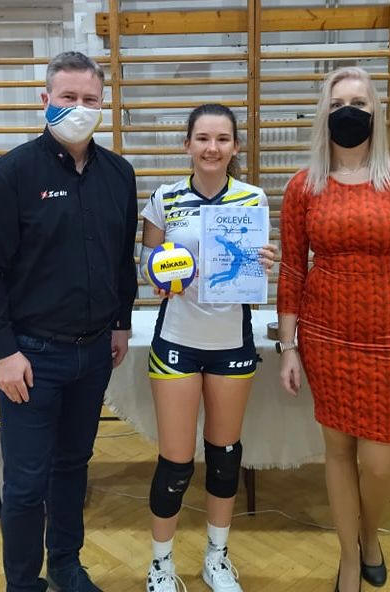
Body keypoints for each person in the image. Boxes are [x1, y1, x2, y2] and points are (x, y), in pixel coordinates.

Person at [0, 51, 138, 592]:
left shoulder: (119, 174)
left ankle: (65, 564)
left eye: (90, 99)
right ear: (45, 99)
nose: (80, 108)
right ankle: (23, 583)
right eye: (68, 97)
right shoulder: (11, 175)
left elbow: (121, 258)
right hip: (31, 357)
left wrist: (121, 322)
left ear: (103, 104)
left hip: (94, 352)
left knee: (73, 466)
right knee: (25, 482)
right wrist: (2, 351)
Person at [277, 67, 390, 592]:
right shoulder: (303, 187)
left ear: (376, 112)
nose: (350, 111)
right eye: (339, 102)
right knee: (339, 453)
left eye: (361, 103)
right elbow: (292, 270)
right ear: (324, 113)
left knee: (380, 463)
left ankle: (371, 535)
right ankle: (350, 557)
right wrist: (288, 347)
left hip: (389, 342)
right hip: (324, 338)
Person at [140, 103, 277, 592]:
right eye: (202, 138)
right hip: (177, 340)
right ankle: (161, 565)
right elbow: (147, 262)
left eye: (222, 139)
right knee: (175, 463)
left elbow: (254, 271)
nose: (212, 147)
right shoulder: (165, 198)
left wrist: (264, 260)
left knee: (224, 456)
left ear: (235, 146)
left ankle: (216, 559)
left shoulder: (253, 198)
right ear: (187, 145)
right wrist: (159, 273)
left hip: (231, 343)